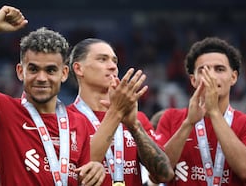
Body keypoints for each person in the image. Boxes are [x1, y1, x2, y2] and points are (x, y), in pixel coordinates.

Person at [0, 5, 105, 186]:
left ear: (64, 73)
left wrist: (96, 171)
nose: (41, 78)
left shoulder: (79, 123)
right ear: (20, 71)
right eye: (33, 69)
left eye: (50, 70)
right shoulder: (2, 111)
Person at [155, 37, 246, 186]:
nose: (212, 76)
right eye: (204, 70)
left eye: (219, 69)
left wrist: (214, 112)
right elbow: (157, 175)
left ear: (233, 77)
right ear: (193, 80)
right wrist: (188, 123)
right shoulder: (171, 118)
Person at [67, 38, 174, 185]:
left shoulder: (137, 119)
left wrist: (134, 127)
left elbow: (164, 175)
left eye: (114, 61)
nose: (112, 67)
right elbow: (70, 178)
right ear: (79, 69)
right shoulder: (66, 120)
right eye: (102, 59)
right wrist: (116, 112)